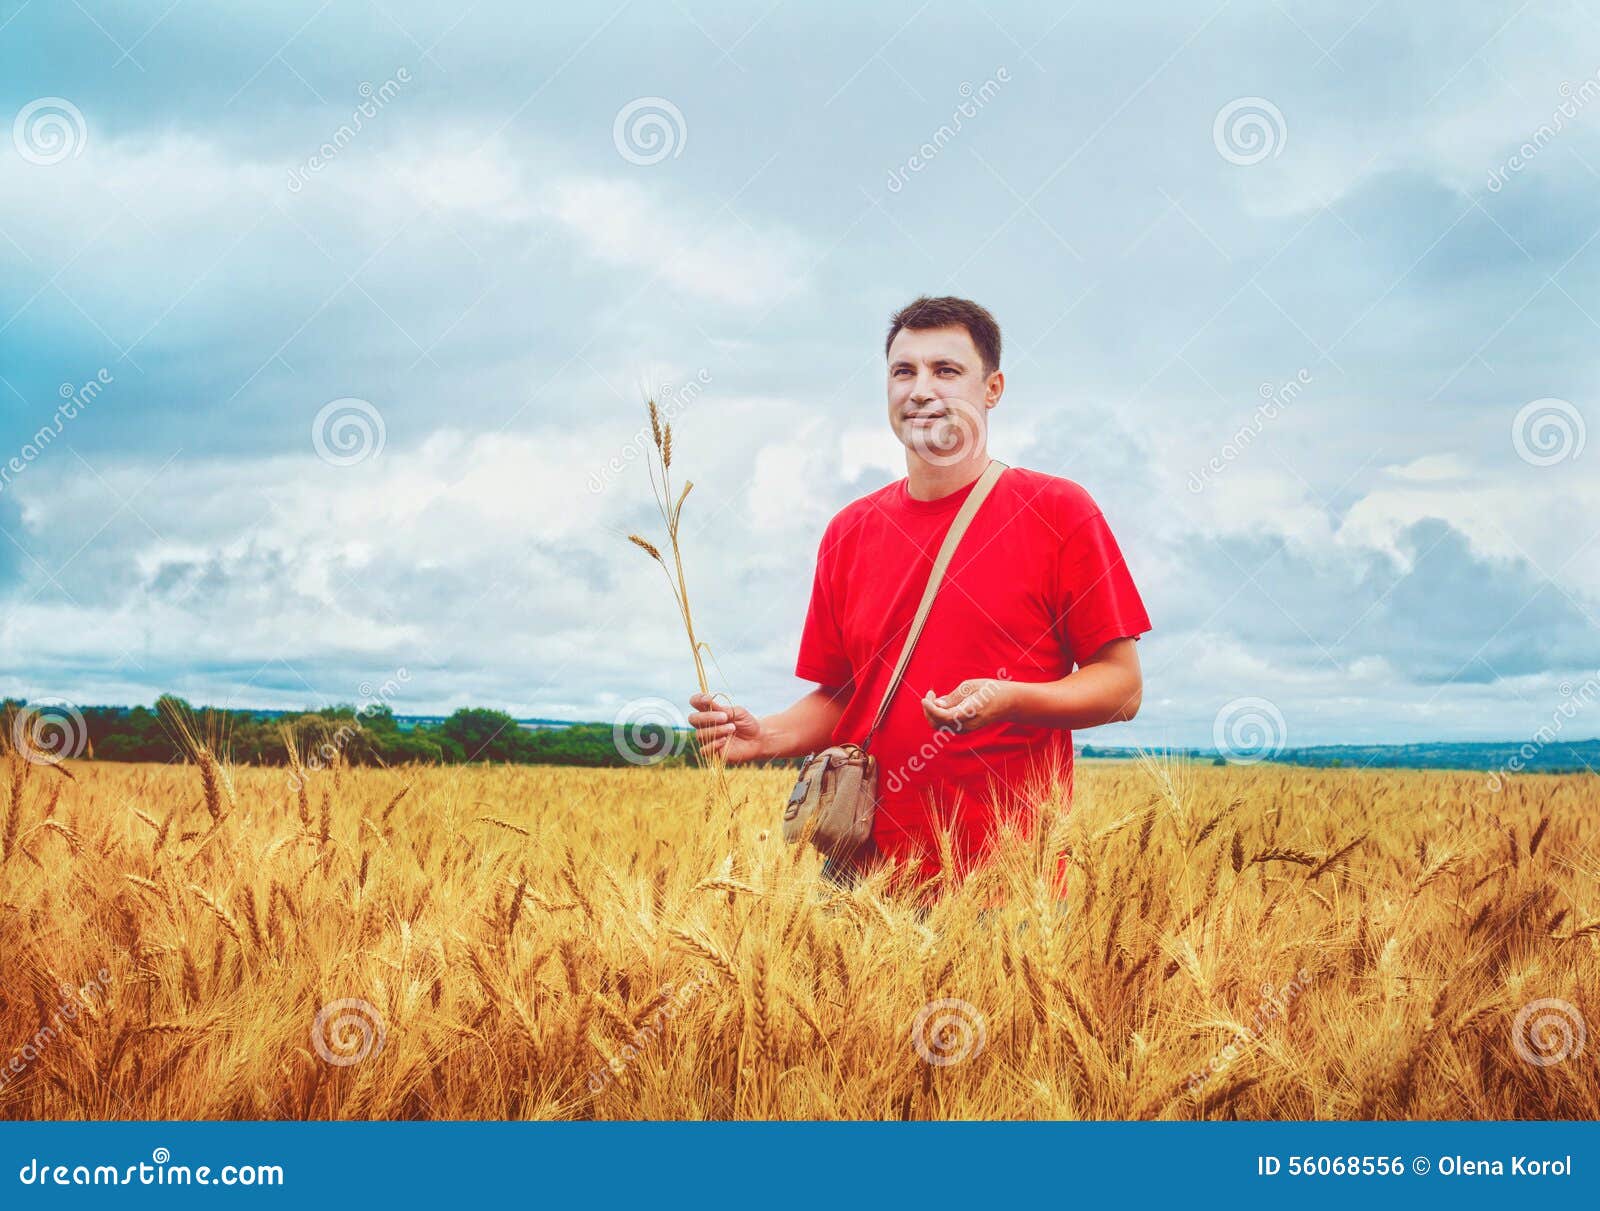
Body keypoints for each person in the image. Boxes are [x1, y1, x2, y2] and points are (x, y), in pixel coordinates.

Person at [689, 295, 1151, 899]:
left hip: (1007, 889)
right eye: (903, 371)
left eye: (947, 371)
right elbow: (847, 696)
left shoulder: (1060, 512)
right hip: (859, 877)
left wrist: (1009, 699)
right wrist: (765, 736)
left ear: (994, 389)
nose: (921, 389)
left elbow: (1122, 688)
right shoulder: (848, 532)